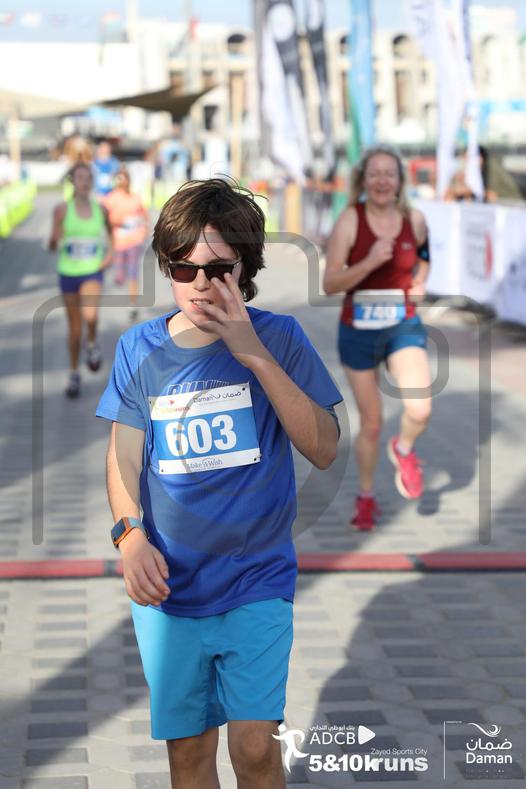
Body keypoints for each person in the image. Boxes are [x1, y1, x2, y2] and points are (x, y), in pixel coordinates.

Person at [96, 178, 342, 788]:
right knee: (188, 753)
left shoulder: (280, 337)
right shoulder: (138, 348)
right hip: (169, 586)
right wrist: (130, 537)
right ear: (166, 267)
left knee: (255, 749)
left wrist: (251, 351)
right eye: (185, 269)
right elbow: (123, 457)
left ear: (245, 268)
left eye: (218, 270)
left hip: (256, 577)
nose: (201, 285)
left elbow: (324, 448)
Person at [323, 144, 432, 532]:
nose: (382, 181)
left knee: (420, 409)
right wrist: (370, 262)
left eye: (389, 173)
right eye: (375, 174)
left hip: (402, 325)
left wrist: (420, 281)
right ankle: (366, 496)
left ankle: (403, 448)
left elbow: (424, 257)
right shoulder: (350, 221)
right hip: (358, 331)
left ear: (400, 180)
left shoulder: (415, 219)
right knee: (371, 423)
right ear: (364, 180)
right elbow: (330, 283)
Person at [49, 162, 113, 398]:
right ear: (73, 182)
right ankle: (74, 373)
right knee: (75, 329)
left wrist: (110, 255)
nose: (84, 182)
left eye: (88, 178)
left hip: (92, 270)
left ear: (92, 182)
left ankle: (92, 343)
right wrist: (54, 239)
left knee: (91, 315)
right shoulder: (61, 210)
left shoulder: (101, 210)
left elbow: (111, 234)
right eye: (79, 178)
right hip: (68, 272)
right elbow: (52, 243)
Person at [102, 167, 148, 322]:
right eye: (119, 178)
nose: (122, 181)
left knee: (133, 272)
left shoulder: (135, 197)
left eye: (124, 178)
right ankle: (120, 277)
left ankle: (133, 305)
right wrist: (117, 223)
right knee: (120, 276)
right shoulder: (111, 198)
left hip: (134, 240)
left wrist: (144, 228)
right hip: (118, 241)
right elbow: (105, 219)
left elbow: (143, 215)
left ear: (128, 180)